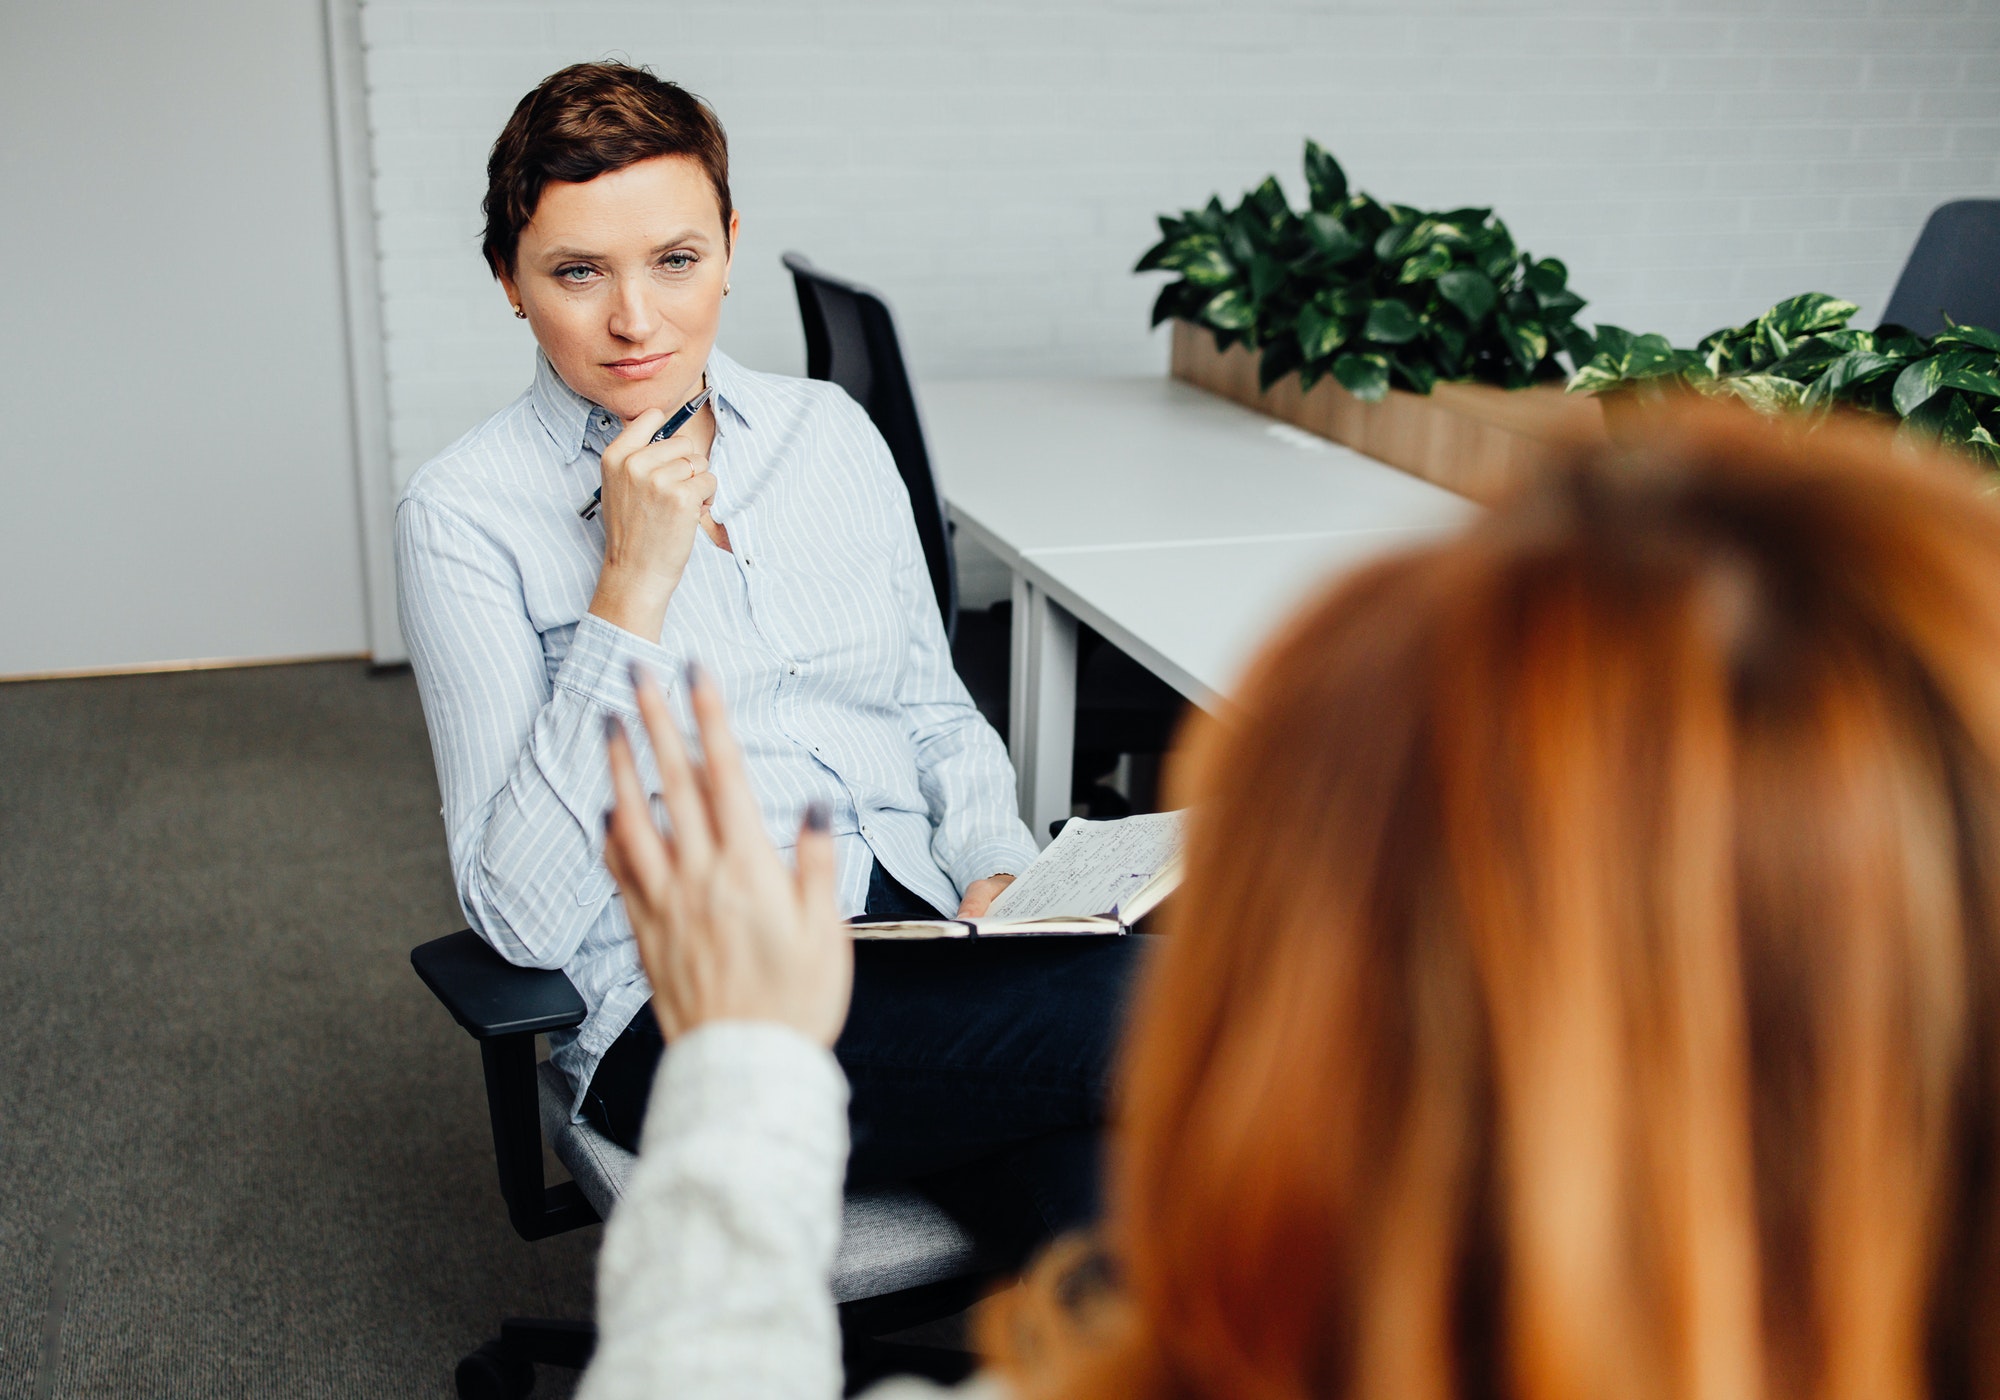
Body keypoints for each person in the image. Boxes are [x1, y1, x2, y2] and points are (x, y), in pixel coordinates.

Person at [580, 402, 2000, 1399]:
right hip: (704, 980)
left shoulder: (825, 445)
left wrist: (750, 1062)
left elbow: (692, 1368)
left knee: (1114, 1073)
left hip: (837, 973)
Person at [394, 60, 1137, 1254]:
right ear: (507, 281)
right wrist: (627, 592)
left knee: (1108, 1215)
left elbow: (933, 712)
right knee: (1171, 1002)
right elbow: (518, 922)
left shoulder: (829, 436)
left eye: (675, 261)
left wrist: (997, 862)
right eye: (577, 272)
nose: (635, 319)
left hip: (925, 943)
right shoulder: (464, 512)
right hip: (692, 1010)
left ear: (731, 246)